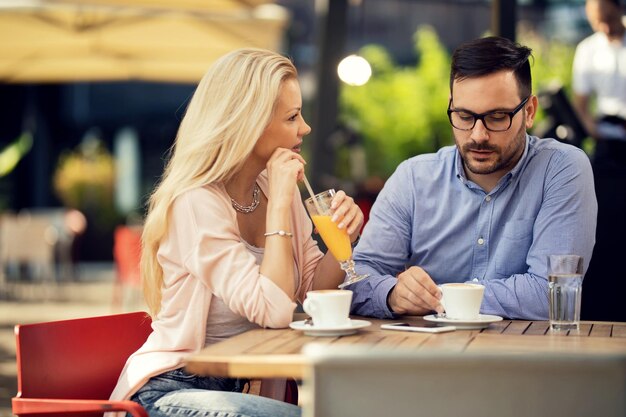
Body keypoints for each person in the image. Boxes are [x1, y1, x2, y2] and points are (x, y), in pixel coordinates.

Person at [108, 48, 364, 417]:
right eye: (292, 117)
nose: (305, 128)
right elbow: (274, 311)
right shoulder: (196, 203)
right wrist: (277, 202)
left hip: (239, 386)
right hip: (170, 390)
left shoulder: (281, 188)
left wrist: (343, 242)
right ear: (250, 123)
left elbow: (310, 292)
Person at [347, 36, 597, 321]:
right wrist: (393, 295)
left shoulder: (561, 168)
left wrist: (436, 297)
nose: (478, 135)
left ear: (529, 112)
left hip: (523, 358)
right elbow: (356, 281)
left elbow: (548, 294)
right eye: (465, 116)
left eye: (497, 117)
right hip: (427, 356)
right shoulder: (413, 179)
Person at [573, 0, 626, 167]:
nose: (606, 28)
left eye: (609, 19)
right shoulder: (587, 49)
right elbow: (581, 106)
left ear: (620, 9)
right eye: (598, 22)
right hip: (605, 135)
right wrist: (591, 129)